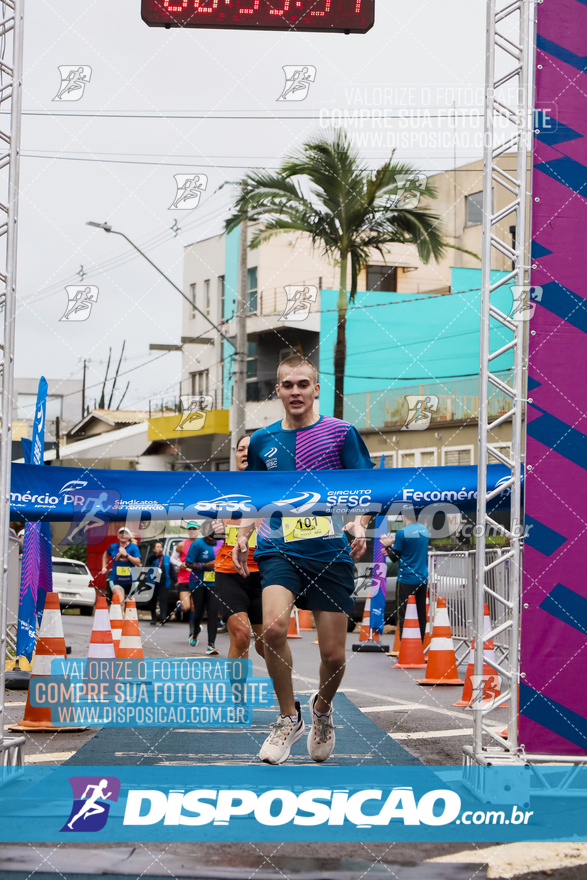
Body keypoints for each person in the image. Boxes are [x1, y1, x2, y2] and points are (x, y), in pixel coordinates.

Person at [233, 354, 373, 765]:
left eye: (303, 384)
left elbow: (368, 487)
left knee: (332, 655)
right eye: (287, 385)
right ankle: (287, 717)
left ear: (316, 389)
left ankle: (322, 711)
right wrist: (243, 534)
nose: (295, 391)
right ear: (277, 390)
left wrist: (361, 523)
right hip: (279, 548)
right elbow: (256, 497)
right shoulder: (262, 441)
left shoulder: (341, 433)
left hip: (330, 551)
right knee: (273, 629)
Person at [214, 434, 265, 660]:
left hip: (266, 572)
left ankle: (283, 695)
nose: (245, 453)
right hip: (229, 572)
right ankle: (238, 696)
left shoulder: (272, 486)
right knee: (241, 635)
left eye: (250, 449)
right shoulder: (225, 489)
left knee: (268, 643)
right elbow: (214, 528)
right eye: (240, 449)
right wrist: (214, 529)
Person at [380, 505, 429, 640]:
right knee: (420, 614)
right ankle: (420, 644)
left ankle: (406, 646)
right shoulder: (424, 530)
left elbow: (394, 557)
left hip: (406, 578)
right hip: (422, 578)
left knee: (403, 614)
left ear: (404, 516)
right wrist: (391, 547)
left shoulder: (401, 533)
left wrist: (387, 545)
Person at [185, 520, 223, 653]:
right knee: (199, 612)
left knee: (213, 612)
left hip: (214, 583)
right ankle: (195, 632)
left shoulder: (221, 544)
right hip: (198, 582)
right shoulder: (197, 544)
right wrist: (205, 565)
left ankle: (211, 645)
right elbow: (188, 563)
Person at [101, 528, 141, 609]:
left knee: (129, 606)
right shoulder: (113, 547)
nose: (123, 535)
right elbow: (105, 554)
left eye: (125, 534)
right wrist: (103, 567)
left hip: (131, 581)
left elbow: (138, 562)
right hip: (116, 580)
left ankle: (125, 620)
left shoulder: (133, 548)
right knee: (120, 602)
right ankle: (119, 621)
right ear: (118, 536)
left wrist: (126, 555)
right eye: (121, 533)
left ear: (129, 537)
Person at [171, 522, 201, 620]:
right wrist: (180, 564)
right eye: (190, 529)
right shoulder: (182, 544)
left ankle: (193, 629)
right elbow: (172, 559)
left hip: (197, 578)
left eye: (194, 529)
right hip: (184, 579)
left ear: (198, 530)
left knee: (194, 607)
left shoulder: (201, 543)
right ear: (187, 530)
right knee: (186, 607)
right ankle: (179, 605)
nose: (192, 531)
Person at [147, 541, 177, 626]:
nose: (160, 549)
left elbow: (171, 571)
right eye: (157, 547)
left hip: (163, 582)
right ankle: (153, 618)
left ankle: (163, 617)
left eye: (161, 547)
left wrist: (175, 580)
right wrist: (156, 554)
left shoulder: (167, 558)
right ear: (154, 549)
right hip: (152, 582)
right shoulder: (151, 558)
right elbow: (150, 559)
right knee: (153, 600)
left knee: (163, 600)